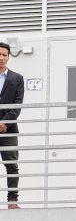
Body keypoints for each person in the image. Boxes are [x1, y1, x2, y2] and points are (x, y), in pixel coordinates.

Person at [0, 42, 24, 209]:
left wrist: (5, 123)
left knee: (12, 165)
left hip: (8, 130)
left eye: (4, 55)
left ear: (8, 57)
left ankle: (12, 201)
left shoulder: (17, 78)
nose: (1, 58)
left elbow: (17, 105)